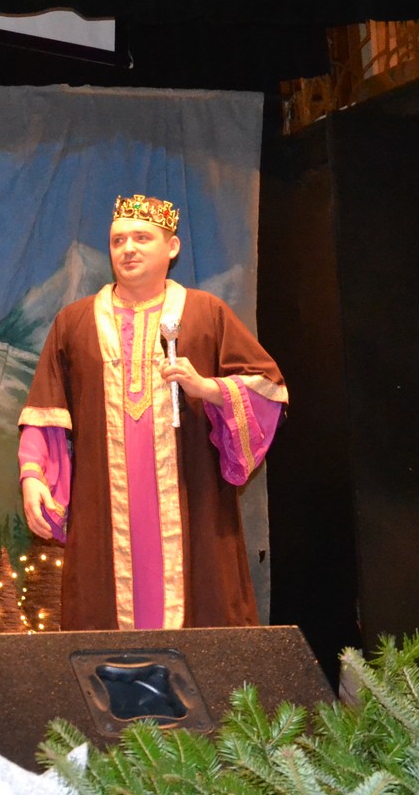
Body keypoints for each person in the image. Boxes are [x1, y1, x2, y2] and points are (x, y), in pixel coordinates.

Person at [18, 194, 285, 630]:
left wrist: (209, 388)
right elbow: (47, 409)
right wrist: (33, 476)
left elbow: (268, 390)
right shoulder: (74, 323)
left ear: (172, 247)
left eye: (142, 238)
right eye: (118, 240)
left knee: (204, 613)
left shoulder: (207, 314)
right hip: (102, 505)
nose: (128, 248)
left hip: (193, 501)